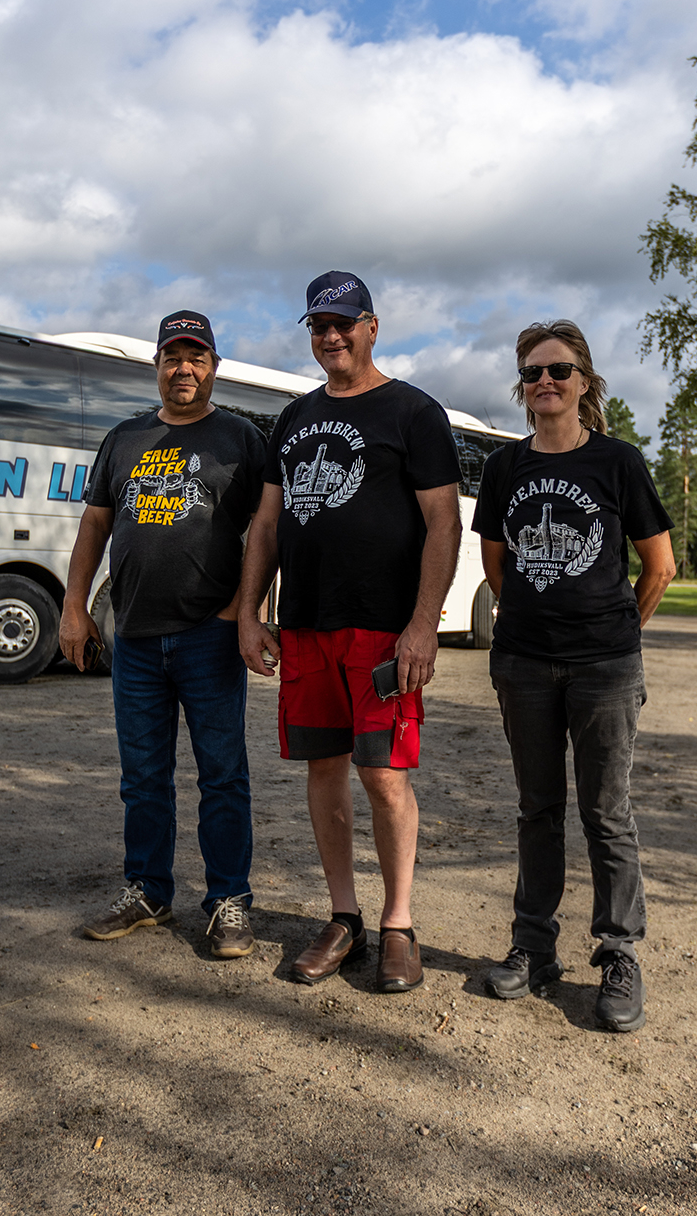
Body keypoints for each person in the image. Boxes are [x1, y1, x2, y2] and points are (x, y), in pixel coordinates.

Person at [238, 271, 462, 993]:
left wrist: (423, 626)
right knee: (323, 770)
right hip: (305, 627)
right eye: (317, 325)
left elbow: (443, 524)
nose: (329, 336)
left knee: (384, 775)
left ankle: (398, 925)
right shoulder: (294, 418)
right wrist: (250, 610)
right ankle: (345, 917)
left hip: (382, 632)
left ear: (372, 325)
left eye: (342, 322)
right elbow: (267, 523)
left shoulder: (414, 412)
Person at [471, 320, 675, 1031]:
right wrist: (534, 617)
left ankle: (618, 955)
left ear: (584, 383)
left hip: (606, 666)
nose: (545, 382)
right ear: (522, 388)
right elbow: (496, 565)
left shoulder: (618, 462)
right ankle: (534, 946)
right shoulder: (503, 468)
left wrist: (618, 631)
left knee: (607, 813)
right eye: (532, 373)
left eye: (558, 370)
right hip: (523, 663)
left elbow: (660, 565)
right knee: (537, 809)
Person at [60, 311, 266, 959]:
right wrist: (74, 607)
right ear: (156, 365)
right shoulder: (123, 440)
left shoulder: (240, 438)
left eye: (196, 357)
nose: (184, 368)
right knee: (142, 776)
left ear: (213, 366)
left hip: (210, 635)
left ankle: (229, 902)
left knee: (222, 775)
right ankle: (147, 890)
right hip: (137, 640)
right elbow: (95, 526)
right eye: (173, 357)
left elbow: (268, 532)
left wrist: (245, 610)